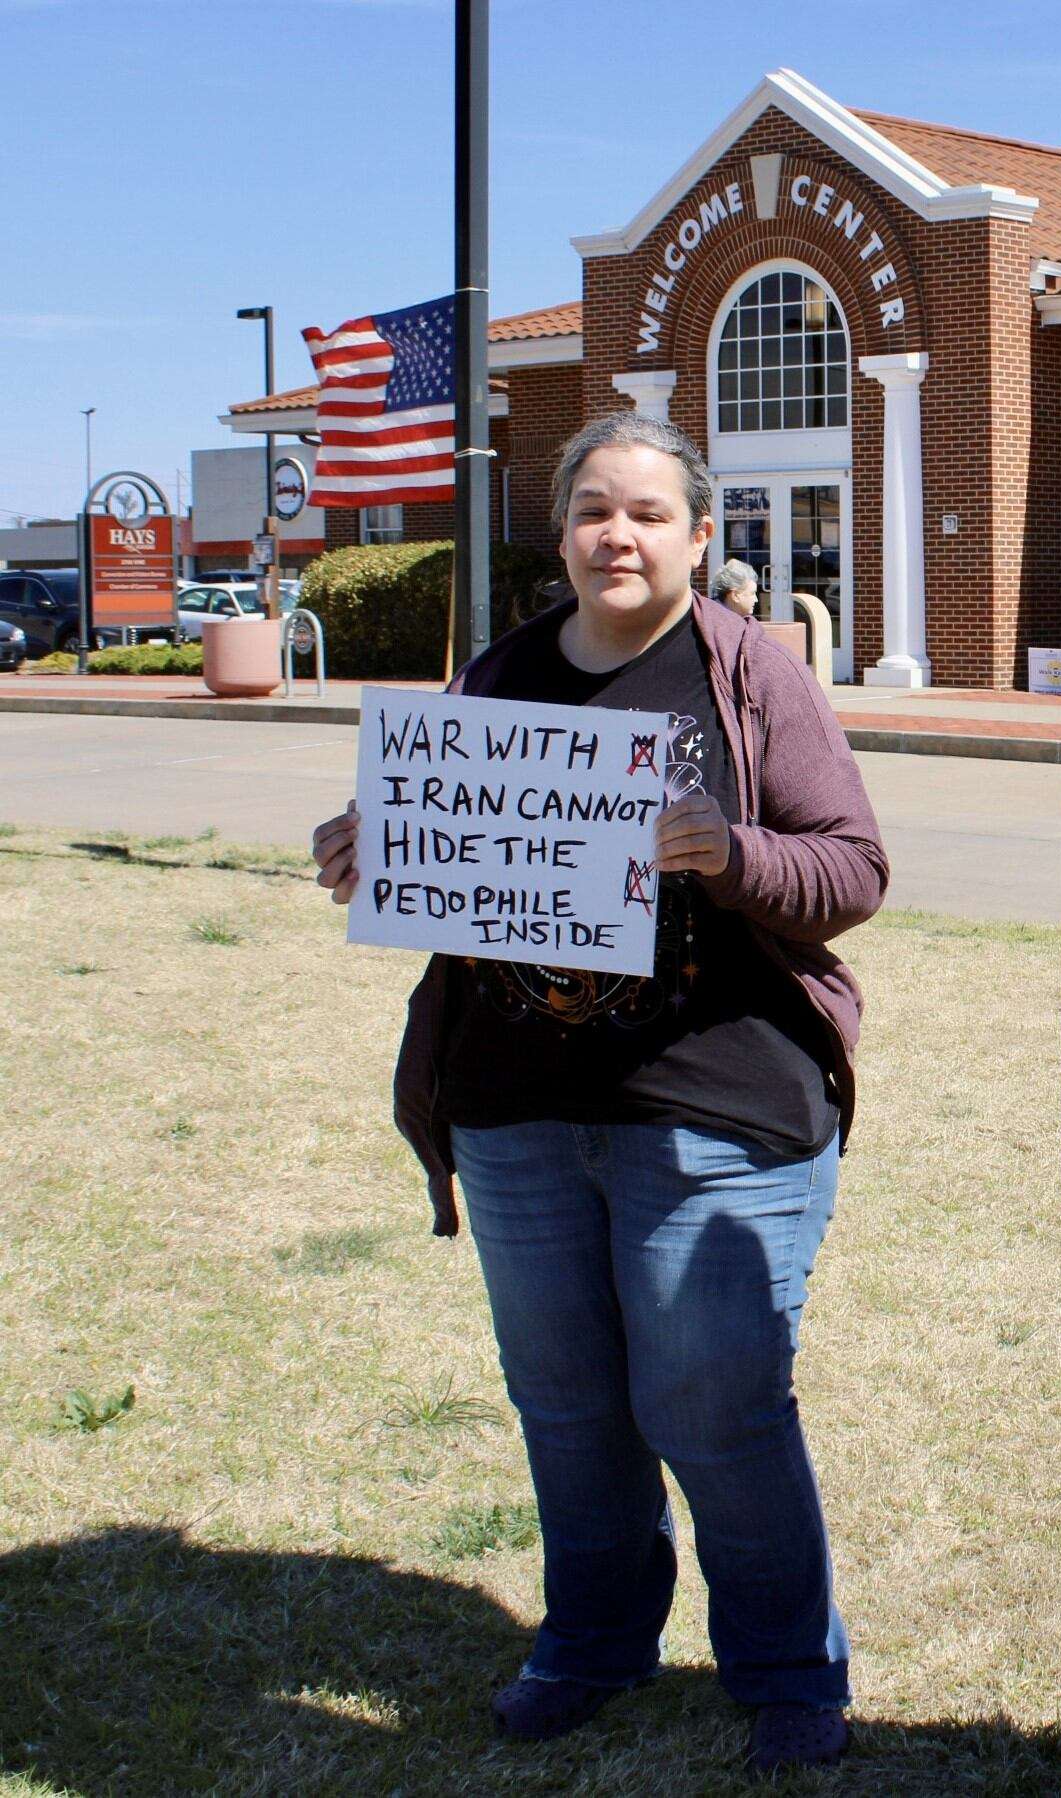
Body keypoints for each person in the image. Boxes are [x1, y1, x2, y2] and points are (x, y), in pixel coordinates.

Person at [308, 413, 886, 1774]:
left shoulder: (747, 674)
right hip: (516, 1106)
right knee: (562, 1395)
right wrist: (369, 848)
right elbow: (453, 848)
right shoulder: (502, 672)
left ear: (698, 536)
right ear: (561, 530)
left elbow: (853, 868)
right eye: (590, 511)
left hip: (715, 1099)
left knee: (714, 1396)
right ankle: (596, 1637)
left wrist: (732, 853)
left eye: (645, 512)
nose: (615, 535)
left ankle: (787, 1663)